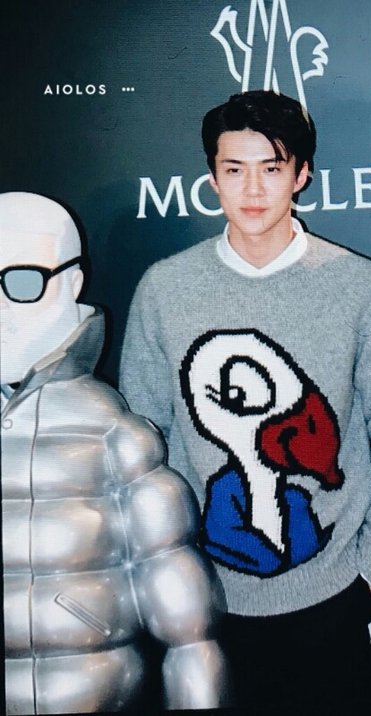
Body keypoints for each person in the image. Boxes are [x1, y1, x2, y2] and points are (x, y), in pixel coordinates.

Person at [120, 90, 371, 710]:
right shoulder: (165, 289)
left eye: (272, 167)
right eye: (234, 169)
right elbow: (143, 444)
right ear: (212, 179)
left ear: (301, 175)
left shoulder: (359, 285)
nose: (253, 189)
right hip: (204, 602)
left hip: (334, 595)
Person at [0, 191, 229, 713]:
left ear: (72, 282)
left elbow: (190, 634)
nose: (2, 308)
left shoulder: (112, 433)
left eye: (23, 281)